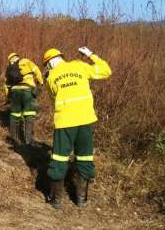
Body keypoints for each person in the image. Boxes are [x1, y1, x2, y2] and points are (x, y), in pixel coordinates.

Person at [43, 46, 112, 209]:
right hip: (85, 119)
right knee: (85, 157)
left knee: (59, 158)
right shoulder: (79, 65)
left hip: (64, 122)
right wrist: (90, 54)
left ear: (49, 64)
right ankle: (81, 200)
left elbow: (54, 101)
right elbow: (106, 71)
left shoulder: (51, 77)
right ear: (61, 57)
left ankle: (56, 200)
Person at [4, 52, 43, 146]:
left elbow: (5, 84)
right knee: (29, 115)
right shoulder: (26, 61)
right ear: (17, 57)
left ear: (10, 59)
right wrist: (40, 83)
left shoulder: (9, 68)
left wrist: (8, 96)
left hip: (14, 91)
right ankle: (28, 141)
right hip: (27, 89)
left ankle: (14, 140)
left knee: (14, 115)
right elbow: (36, 70)